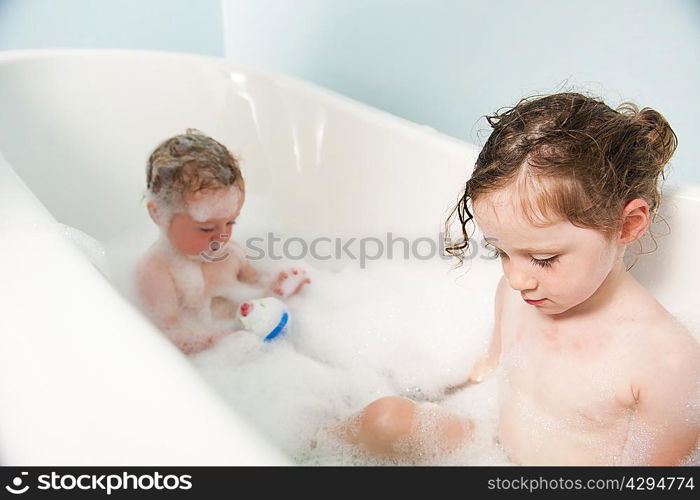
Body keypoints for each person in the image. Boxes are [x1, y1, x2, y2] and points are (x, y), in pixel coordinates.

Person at [335, 93, 699, 465]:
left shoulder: (666, 362)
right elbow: (486, 373)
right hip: (492, 449)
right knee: (385, 418)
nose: (518, 278)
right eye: (501, 252)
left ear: (628, 225)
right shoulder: (518, 295)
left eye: (543, 259)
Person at [135, 129, 310, 354]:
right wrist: (223, 341)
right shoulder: (156, 272)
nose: (222, 236)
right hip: (202, 363)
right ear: (159, 214)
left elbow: (256, 284)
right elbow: (169, 335)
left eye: (231, 223)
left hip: (244, 348)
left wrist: (277, 287)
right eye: (206, 228)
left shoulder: (231, 254)